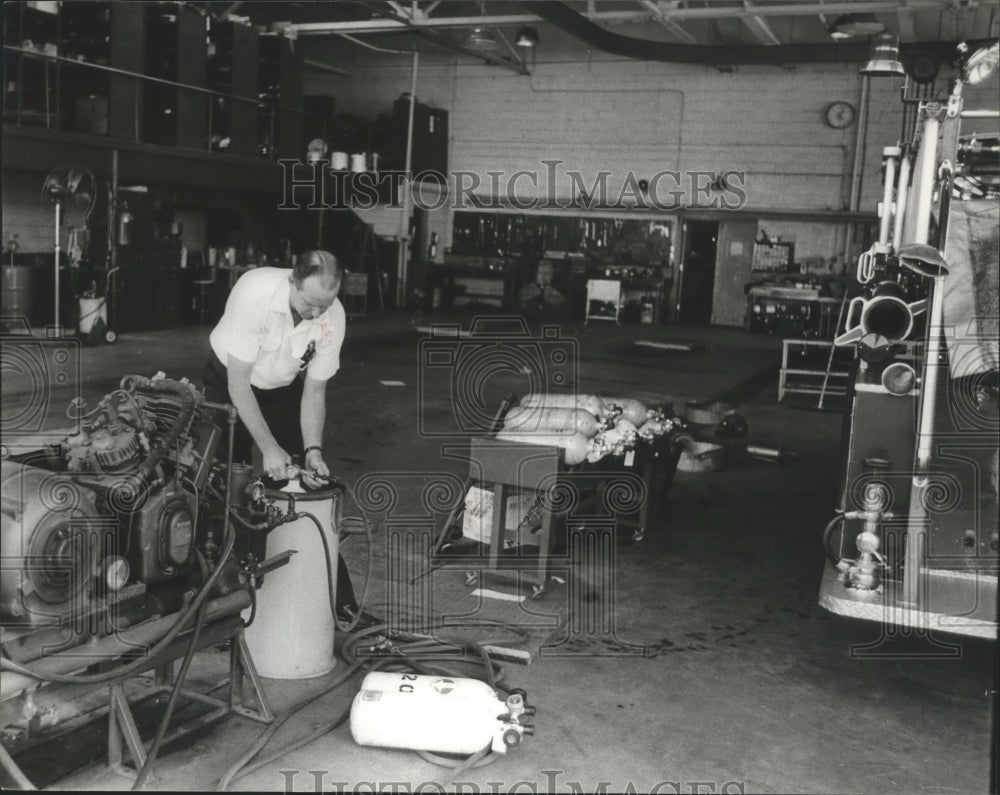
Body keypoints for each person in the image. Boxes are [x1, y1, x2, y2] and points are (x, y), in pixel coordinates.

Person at [203, 250, 346, 488]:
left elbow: (315, 391)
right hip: (229, 382)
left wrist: (314, 449)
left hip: (282, 386)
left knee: (298, 472)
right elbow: (238, 384)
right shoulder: (255, 293)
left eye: (326, 305)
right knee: (227, 476)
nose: (317, 314)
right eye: (310, 304)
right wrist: (268, 448)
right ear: (293, 282)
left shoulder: (334, 316)